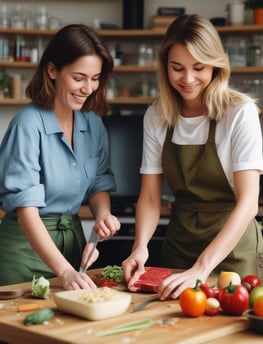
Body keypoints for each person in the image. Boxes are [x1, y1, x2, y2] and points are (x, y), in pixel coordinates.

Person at [122, 14, 263, 300]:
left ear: (216, 65)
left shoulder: (239, 113)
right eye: (177, 68)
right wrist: (140, 246)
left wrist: (201, 268)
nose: (187, 79)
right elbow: (150, 197)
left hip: (232, 249)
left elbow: (248, 204)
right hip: (179, 245)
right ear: (165, 67)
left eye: (199, 67)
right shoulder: (157, 115)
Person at [0, 24, 120, 289]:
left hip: (72, 249)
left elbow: (99, 183)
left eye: (95, 78)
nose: (88, 88)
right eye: (79, 78)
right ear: (52, 71)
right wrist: (65, 272)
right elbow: (26, 212)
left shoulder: (93, 124)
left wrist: (102, 216)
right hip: (22, 252)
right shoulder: (27, 126)